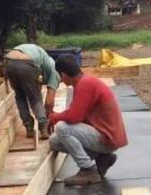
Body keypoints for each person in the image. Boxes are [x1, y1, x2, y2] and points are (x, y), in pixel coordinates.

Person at [47, 55, 128, 186]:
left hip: (107, 138)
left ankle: (88, 170)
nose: (61, 80)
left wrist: (54, 117)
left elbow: (74, 116)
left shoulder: (85, 84)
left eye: (60, 77)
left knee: (62, 127)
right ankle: (102, 158)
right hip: (105, 135)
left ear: (63, 74)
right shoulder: (85, 82)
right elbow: (79, 116)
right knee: (54, 141)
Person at [3, 43, 59, 139]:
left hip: (8, 61)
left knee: (20, 95)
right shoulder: (54, 71)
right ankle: (43, 128)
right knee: (35, 98)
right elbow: (49, 103)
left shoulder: (42, 59)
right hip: (25, 63)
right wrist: (48, 116)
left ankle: (29, 127)